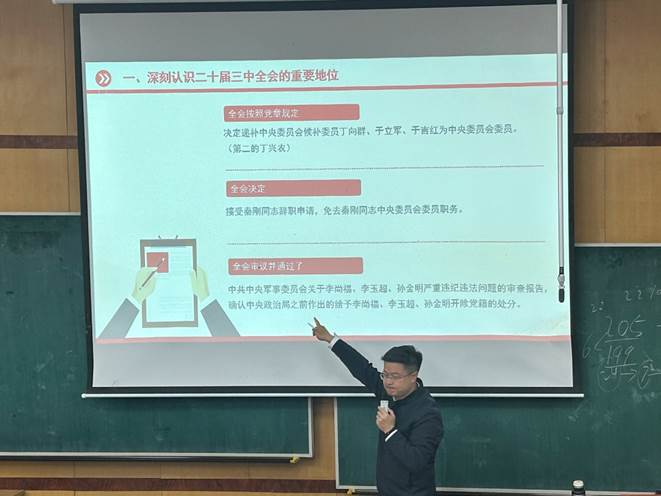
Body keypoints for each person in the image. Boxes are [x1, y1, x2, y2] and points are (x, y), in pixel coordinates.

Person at [312, 317, 443, 496]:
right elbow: (362, 368)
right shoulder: (388, 391)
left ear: (413, 376)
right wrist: (331, 339)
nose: (388, 382)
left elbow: (417, 461)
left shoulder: (427, 413)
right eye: (385, 374)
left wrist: (390, 431)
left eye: (395, 376)